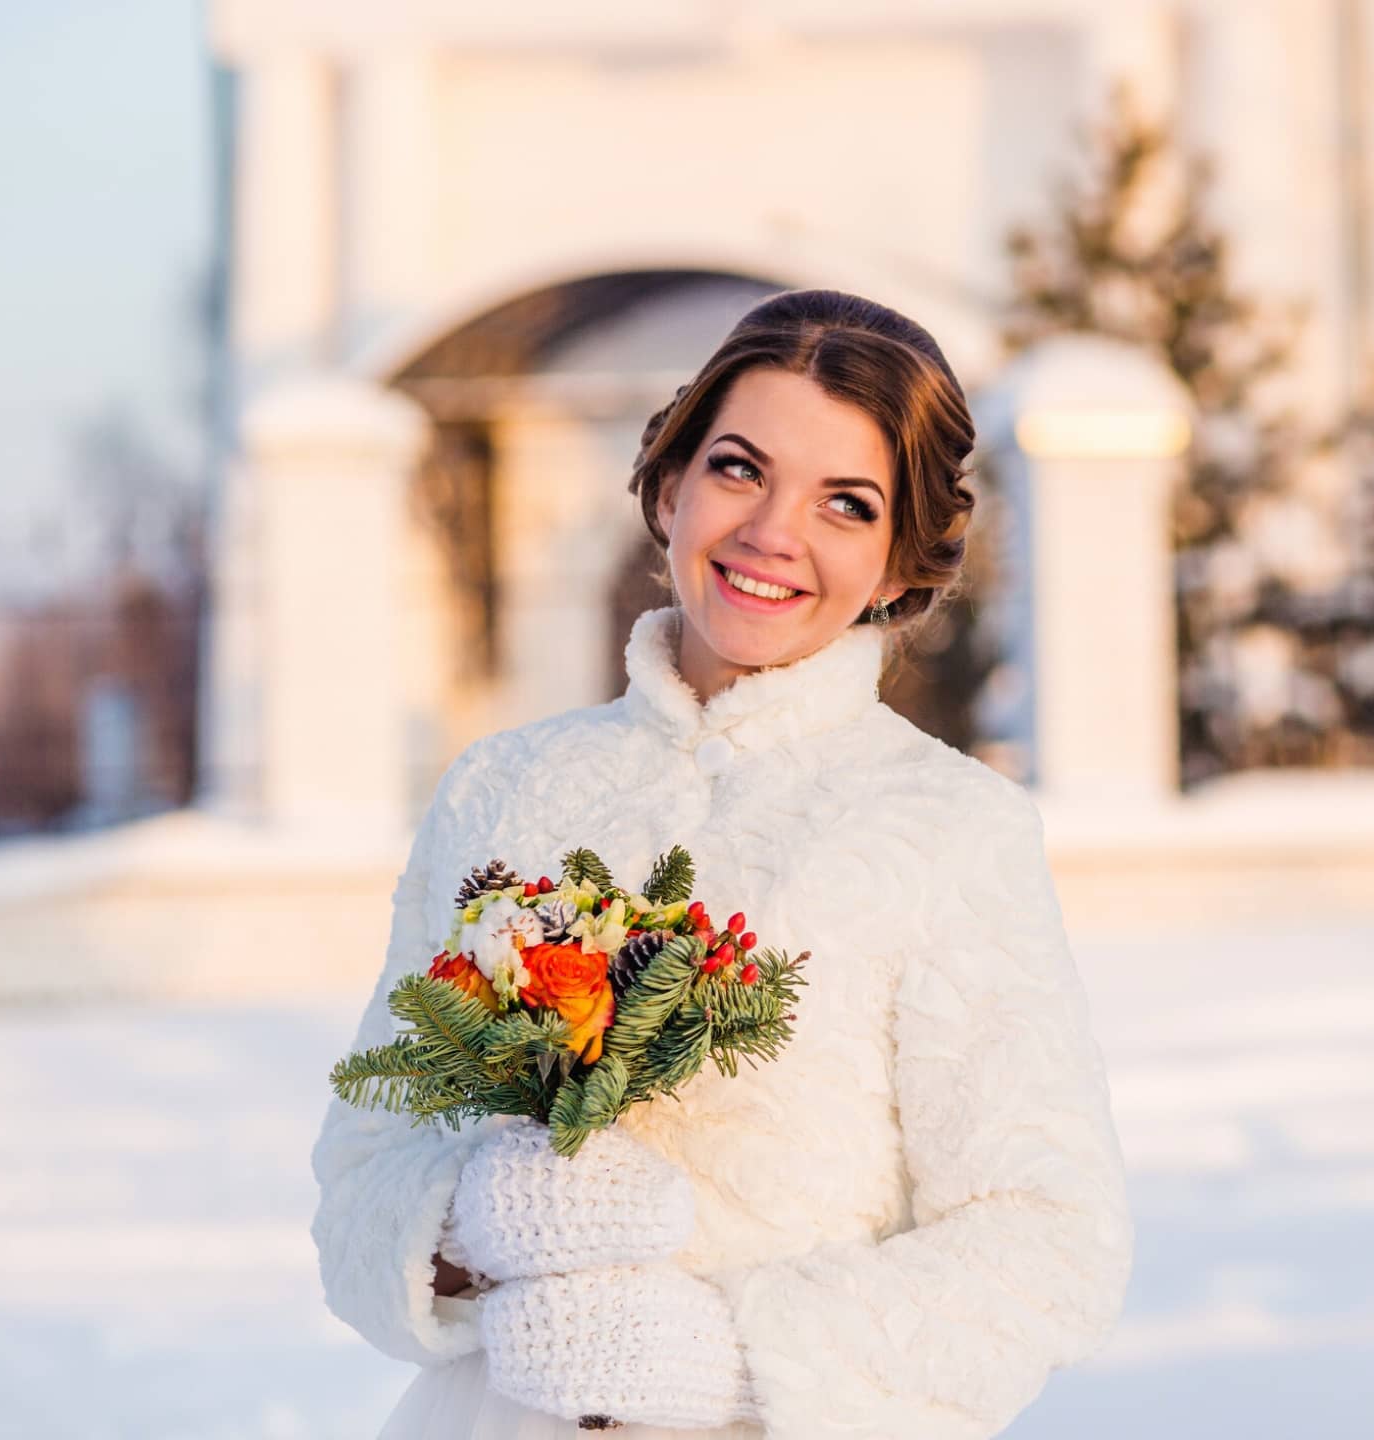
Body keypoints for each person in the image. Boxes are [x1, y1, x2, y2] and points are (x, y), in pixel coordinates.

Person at [311, 288, 1134, 1439]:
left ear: (900, 564)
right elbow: (364, 1171)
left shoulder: (948, 828)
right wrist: (468, 1226)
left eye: (846, 503)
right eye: (741, 470)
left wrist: (728, 1361)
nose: (772, 532)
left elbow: (1050, 1240)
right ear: (668, 485)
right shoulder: (505, 790)